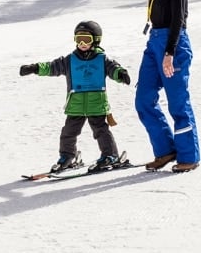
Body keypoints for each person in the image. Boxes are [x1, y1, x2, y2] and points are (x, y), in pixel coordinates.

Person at [19, 20, 131, 173]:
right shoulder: (69, 60)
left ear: (96, 40)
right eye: (79, 39)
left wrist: (121, 74)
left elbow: (113, 69)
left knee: (101, 131)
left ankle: (110, 155)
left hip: (96, 104)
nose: (82, 43)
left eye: (87, 39)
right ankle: (67, 156)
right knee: (68, 133)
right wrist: (35, 68)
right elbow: (52, 67)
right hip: (75, 105)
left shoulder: (102, 59)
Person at [127, 0, 200, 173]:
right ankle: (166, 150)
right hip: (154, 43)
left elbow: (179, 19)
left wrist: (169, 53)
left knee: (177, 101)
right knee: (143, 99)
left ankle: (189, 156)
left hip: (174, 45)